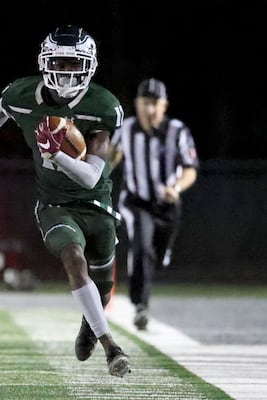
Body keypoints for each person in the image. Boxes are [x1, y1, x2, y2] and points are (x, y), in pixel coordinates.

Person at [0, 25, 130, 378]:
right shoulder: (24, 94)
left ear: (89, 66)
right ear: (45, 62)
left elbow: (91, 177)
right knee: (73, 259)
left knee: (102, 287)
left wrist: (58, 156)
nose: (67, 73)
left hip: (95, 204)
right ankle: (110, 345)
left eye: (75, 65)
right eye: (61, 63)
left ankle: (91, 323)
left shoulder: (102, 106)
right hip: (54, 204)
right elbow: (1, 108)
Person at [109, 78, 199, 330]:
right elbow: (110, 159)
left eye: (154, 103)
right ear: (137, 104)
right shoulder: (126, 129)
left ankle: (157, 261)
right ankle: (140, 305)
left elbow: (191, 169)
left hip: (167, 204)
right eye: (145, 103)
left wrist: (177, 187)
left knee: (156, 257)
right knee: (141, 247)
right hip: (136, 201)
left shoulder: (177, 131)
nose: (149, 109)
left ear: (164, 105)